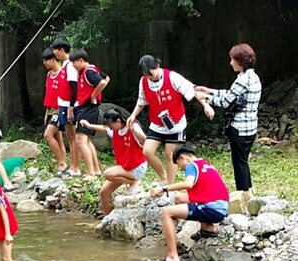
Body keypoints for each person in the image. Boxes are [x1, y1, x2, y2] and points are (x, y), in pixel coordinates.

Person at [127, 55, 215, 186]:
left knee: (170, 155)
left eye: (151, 74)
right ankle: (163, 177)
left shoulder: (172, 77)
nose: (149, 78)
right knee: (147, 151)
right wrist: (133, 115)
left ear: (157, 66)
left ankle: (169, 186)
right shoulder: (144, 81)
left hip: (176, 124)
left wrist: (206, 105)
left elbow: (193, 91)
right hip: (157, 124)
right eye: (146, 75)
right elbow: (141, 101)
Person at [195, 43, 262, 213]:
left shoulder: (242, 79)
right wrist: (209, 90)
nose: (230, 63)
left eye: (232, 60)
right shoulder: (252, 77)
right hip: (250, 128)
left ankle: (245, 198)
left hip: (239, 128)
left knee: (238, 163)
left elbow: (226, 102)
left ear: (240, 61)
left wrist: (205, 98)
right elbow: (230, 94)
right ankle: (251, 195)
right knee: (243, 161)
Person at [149, 144, 229, 261]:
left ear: (182, 158)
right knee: (178, 198)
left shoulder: (191, 165)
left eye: (179, 165)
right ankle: (208, 228)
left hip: (210, 208)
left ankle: (172, 256)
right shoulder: (207, 164)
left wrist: (163, 189)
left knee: (166, 213)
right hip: (221, 207)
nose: (181, 169)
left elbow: (188, 184)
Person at [79, 109, 147, 215]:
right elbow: (104, 129)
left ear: (118, 121)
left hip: (137, 166)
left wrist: (133, 131)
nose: (110, 129)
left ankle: (134, 182)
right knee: (104, 192)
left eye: (111, 126)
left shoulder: (133, 126)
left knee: (108, 173)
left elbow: (145, 141)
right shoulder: (115, 130)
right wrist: (89, 125)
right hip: (125, 168)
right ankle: (108, 218)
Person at [70, 49, 110, 179]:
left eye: (74, 62)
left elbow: (102, 82)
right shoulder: (88, 70)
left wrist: (94, 95)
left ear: (81, 60)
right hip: (88, 107)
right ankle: (96, 170)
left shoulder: (88, 72)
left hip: (87, 108)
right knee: (86, 140)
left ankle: (90, 173)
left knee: (80, 140)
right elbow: (106, 78)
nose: (73, 66)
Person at [51, 38, 82, 177]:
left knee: (73, 135)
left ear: (62, 50)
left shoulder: (70, 65)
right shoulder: (64, 64)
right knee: (69, 136)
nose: (54, 53)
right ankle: (72, 165)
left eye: (56, 50)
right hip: (63, 103)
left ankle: (76, 167)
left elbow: (74, 87)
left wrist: (70, 107)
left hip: (70, 105)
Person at [42, 47, 68, 174]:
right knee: (58, 138)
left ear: (53, 59)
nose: (44, 63)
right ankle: (63, 164)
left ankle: (61, 163)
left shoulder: (63, 73)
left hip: (59, 109)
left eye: (46, 60)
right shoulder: (49, 74)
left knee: (48, 135)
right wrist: (46, 113)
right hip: (50, 109)